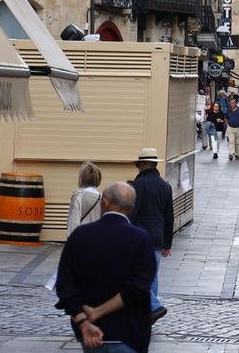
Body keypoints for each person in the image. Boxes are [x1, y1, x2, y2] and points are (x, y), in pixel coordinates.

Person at [55, 182, 156, 353]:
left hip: (90, 333)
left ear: (105, 202)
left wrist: (84, 320)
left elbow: (65, 283)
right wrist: (98, 312)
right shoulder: (141, 239)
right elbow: (138, 287)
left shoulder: (80, 235)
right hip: (128, 333)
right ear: (131, 208)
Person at [128, 148, 173, 325]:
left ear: (145, 165)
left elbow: (132, 212)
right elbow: (169, 215)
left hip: (140, 237)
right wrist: (167, 243)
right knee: (152, 276)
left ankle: (154, 307)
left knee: (135, 275)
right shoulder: (165, 186)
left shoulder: (139, 185)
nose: (138, 168)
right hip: (157, 238)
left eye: (139, 165)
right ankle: (147, 313)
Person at [66, 161, 103, 235]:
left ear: (81, 178)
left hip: (82, 239)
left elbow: (73, 224)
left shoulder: (78, 196)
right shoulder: (103, 197)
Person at [225, 96, 239, 160]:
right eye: (231, 103)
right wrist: (227, 125)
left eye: (233, 103)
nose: (232, 104)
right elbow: (226, 118)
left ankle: (237, 154)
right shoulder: (228, 110)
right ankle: (231, 154)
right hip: (230, 128)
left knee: (237, 142)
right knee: (231, 141)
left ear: (236, 103)